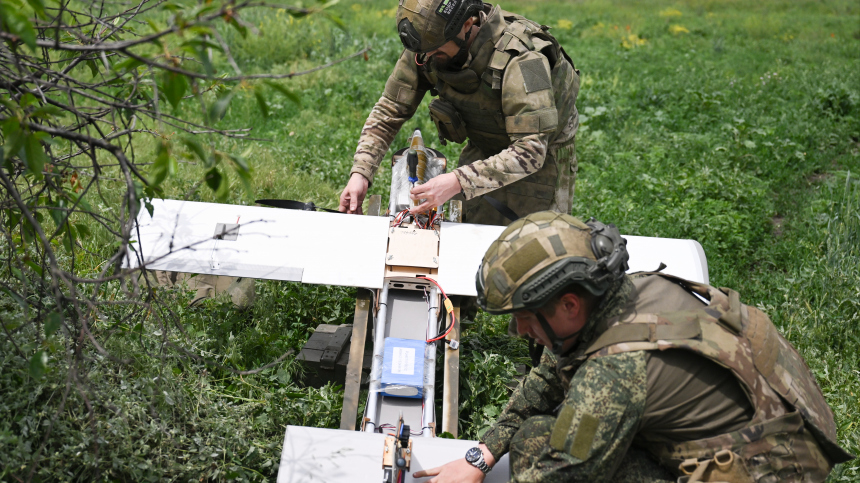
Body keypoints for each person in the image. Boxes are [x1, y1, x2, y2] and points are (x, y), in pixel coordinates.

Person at [414, 211, 853, 482]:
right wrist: (481, 454)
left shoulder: (613, 376)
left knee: (533, 444)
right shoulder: (630, 291)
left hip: (765, 471)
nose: (518, 330)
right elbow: (549, 376)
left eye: (525, 316)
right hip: (783, 441)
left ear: (569, 303)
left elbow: (566, 475)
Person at [339, 0, 580, 226]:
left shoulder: (523, 60)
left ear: (468, 24)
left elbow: (531, 150)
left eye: (435, 51)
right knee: (472, 238)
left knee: (531, 248)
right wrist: (361, 172)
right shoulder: (428, 45)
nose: (426, 60)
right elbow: (390, 108)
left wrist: (458, 181)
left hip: (542, 157)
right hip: (485, 145)